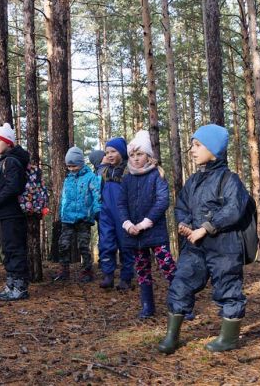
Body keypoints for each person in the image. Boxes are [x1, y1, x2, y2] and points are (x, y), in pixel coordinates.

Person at [158, 124, 249, 354]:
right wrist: (184, 224)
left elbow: (234, 210)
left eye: (198, 145)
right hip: (195, 247)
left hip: (225, 247)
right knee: (180, 285)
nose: (193, 150)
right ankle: (172, 337)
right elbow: (182, 205)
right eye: (192, 145)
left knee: (228, 289)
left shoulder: (230, 180)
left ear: (214, 149)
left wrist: (207, 227)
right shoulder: (194, 181)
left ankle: (228, 339)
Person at [118, 131, 177, 318]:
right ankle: (147, 306)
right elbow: (120, 204)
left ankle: (181, 304)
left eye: (140, 154)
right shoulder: (126, 179)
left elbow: (162, 201)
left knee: (168, 267)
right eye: (132, 155)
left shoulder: (157, 175)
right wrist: (127, 224)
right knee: (142, 269)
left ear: (148, 156)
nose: (135, 159)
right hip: (134, 235)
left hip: (155, 233)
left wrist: (145, 223)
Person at [0, 123, 31, 301]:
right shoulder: (5, 160)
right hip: (6, 213)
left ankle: (19, 287)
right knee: (8, 249)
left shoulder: (12, 161)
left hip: (12, 213)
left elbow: (14, 186)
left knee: (14, 249)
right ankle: (11, 285)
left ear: (8, 142)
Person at [52, 146, 102, 282]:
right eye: (69, 166)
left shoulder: (91, 177)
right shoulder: (68, 179)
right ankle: (63, 270)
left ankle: (87, 271)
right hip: (67, 218)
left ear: (81, 163)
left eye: (74, 165)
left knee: (83, 245)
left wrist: (97, 211)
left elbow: (97, 195)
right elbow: (64, 198)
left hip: (84, 218)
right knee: (63, 244)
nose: (72, 169)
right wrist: (62, 214)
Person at [98, 137, 135, 290]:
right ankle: (108, 275)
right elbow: (99, 192)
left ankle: (126, 278)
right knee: (106, 242)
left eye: (114, 151)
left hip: (124, 214)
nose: (110, 155)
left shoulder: (129, 170)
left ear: (122, 151)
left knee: (126, 245)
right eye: (107, 152)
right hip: (106, 213)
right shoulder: (105, 171)